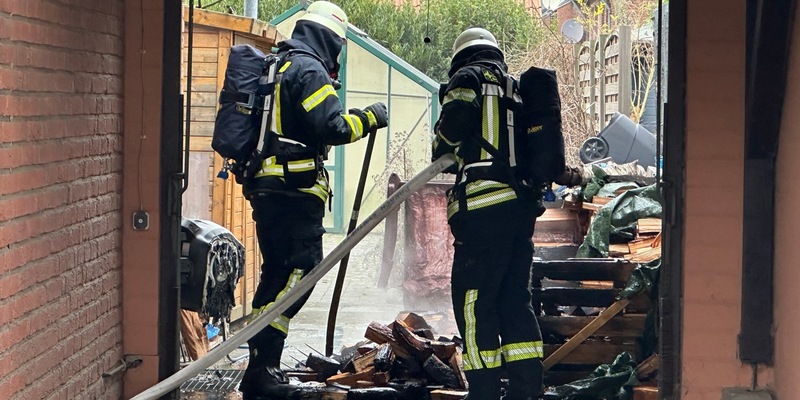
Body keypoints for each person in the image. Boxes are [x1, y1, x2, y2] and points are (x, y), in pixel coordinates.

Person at [237, 1, 388, 398]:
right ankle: (261, 370)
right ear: (328, 38)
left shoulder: (281, 64)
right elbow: (333, 126)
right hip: (293, 193)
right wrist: (371, 116)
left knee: (277, 275)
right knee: (300, 273)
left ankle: (262, 368)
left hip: (270, 189)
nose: (337, 53)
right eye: (337, 44)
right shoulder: (309, 68)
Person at [432, 27, 547, 400]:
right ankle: (527, 390)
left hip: (483, 210)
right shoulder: (516, 87)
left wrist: (441, 143)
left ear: (460, 57)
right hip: (519, 211)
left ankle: (483, 392)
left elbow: (451, 133)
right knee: (515, 298)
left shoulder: (468, 77)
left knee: (474, 304)